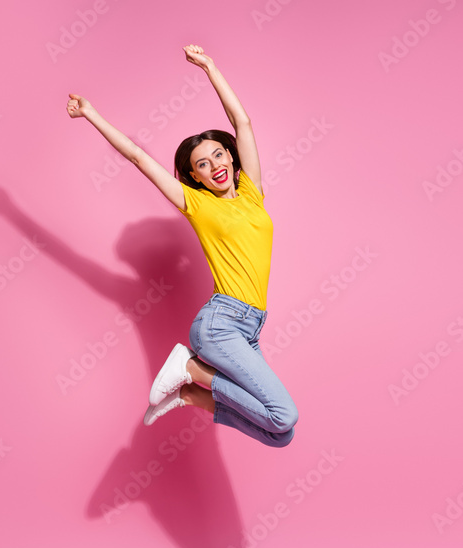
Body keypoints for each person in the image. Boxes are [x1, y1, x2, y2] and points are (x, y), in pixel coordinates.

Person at [66, 44, 298, 447]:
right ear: (195, 177)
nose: (215, 166)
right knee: (285, 413)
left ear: (231, 156)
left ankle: (192, 393)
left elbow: (241, 121)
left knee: (281, 433)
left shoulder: (252, 193)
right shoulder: (197, 205)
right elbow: (139, 157)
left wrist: (210, 67)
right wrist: (90, 114)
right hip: (221, 322)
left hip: (250, 327)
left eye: (218, 155)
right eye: (202, 164)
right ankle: (191, 368)